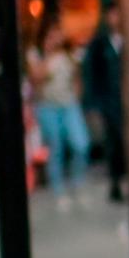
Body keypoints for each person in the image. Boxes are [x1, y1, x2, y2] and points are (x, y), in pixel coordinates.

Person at [29, 20, 90, 209]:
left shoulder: (69, 53)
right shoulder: (35, 54)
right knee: (55, 148)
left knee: (81, 144)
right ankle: (59, 191)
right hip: (47, 106)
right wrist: (48, 54)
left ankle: (77, 183)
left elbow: (77, 75)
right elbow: (37, 78)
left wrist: (77, 95)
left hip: (69, 104)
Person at [82, 1, 127, 203]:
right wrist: (94, 104)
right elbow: (91, 75)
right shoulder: (99, 44)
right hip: (109, 102)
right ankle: (116, 181)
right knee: (114, 143)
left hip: (127, 102)